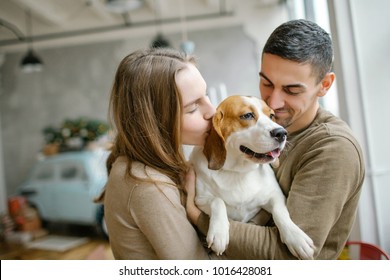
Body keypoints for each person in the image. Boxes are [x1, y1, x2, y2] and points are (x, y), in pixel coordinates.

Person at [185, 19, 365, 259]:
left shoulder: (333, 149)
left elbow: (286, 257)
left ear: (324, 85)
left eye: (291, 90)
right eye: (266, 83)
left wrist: (197, 216)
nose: (274, 102)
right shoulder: (265, 127)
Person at [101, 48, 219, 259]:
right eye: (193, 108)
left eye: (206, 95)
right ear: (156, 121)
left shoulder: (136, 164)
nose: (212, 111)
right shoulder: (147, 184)